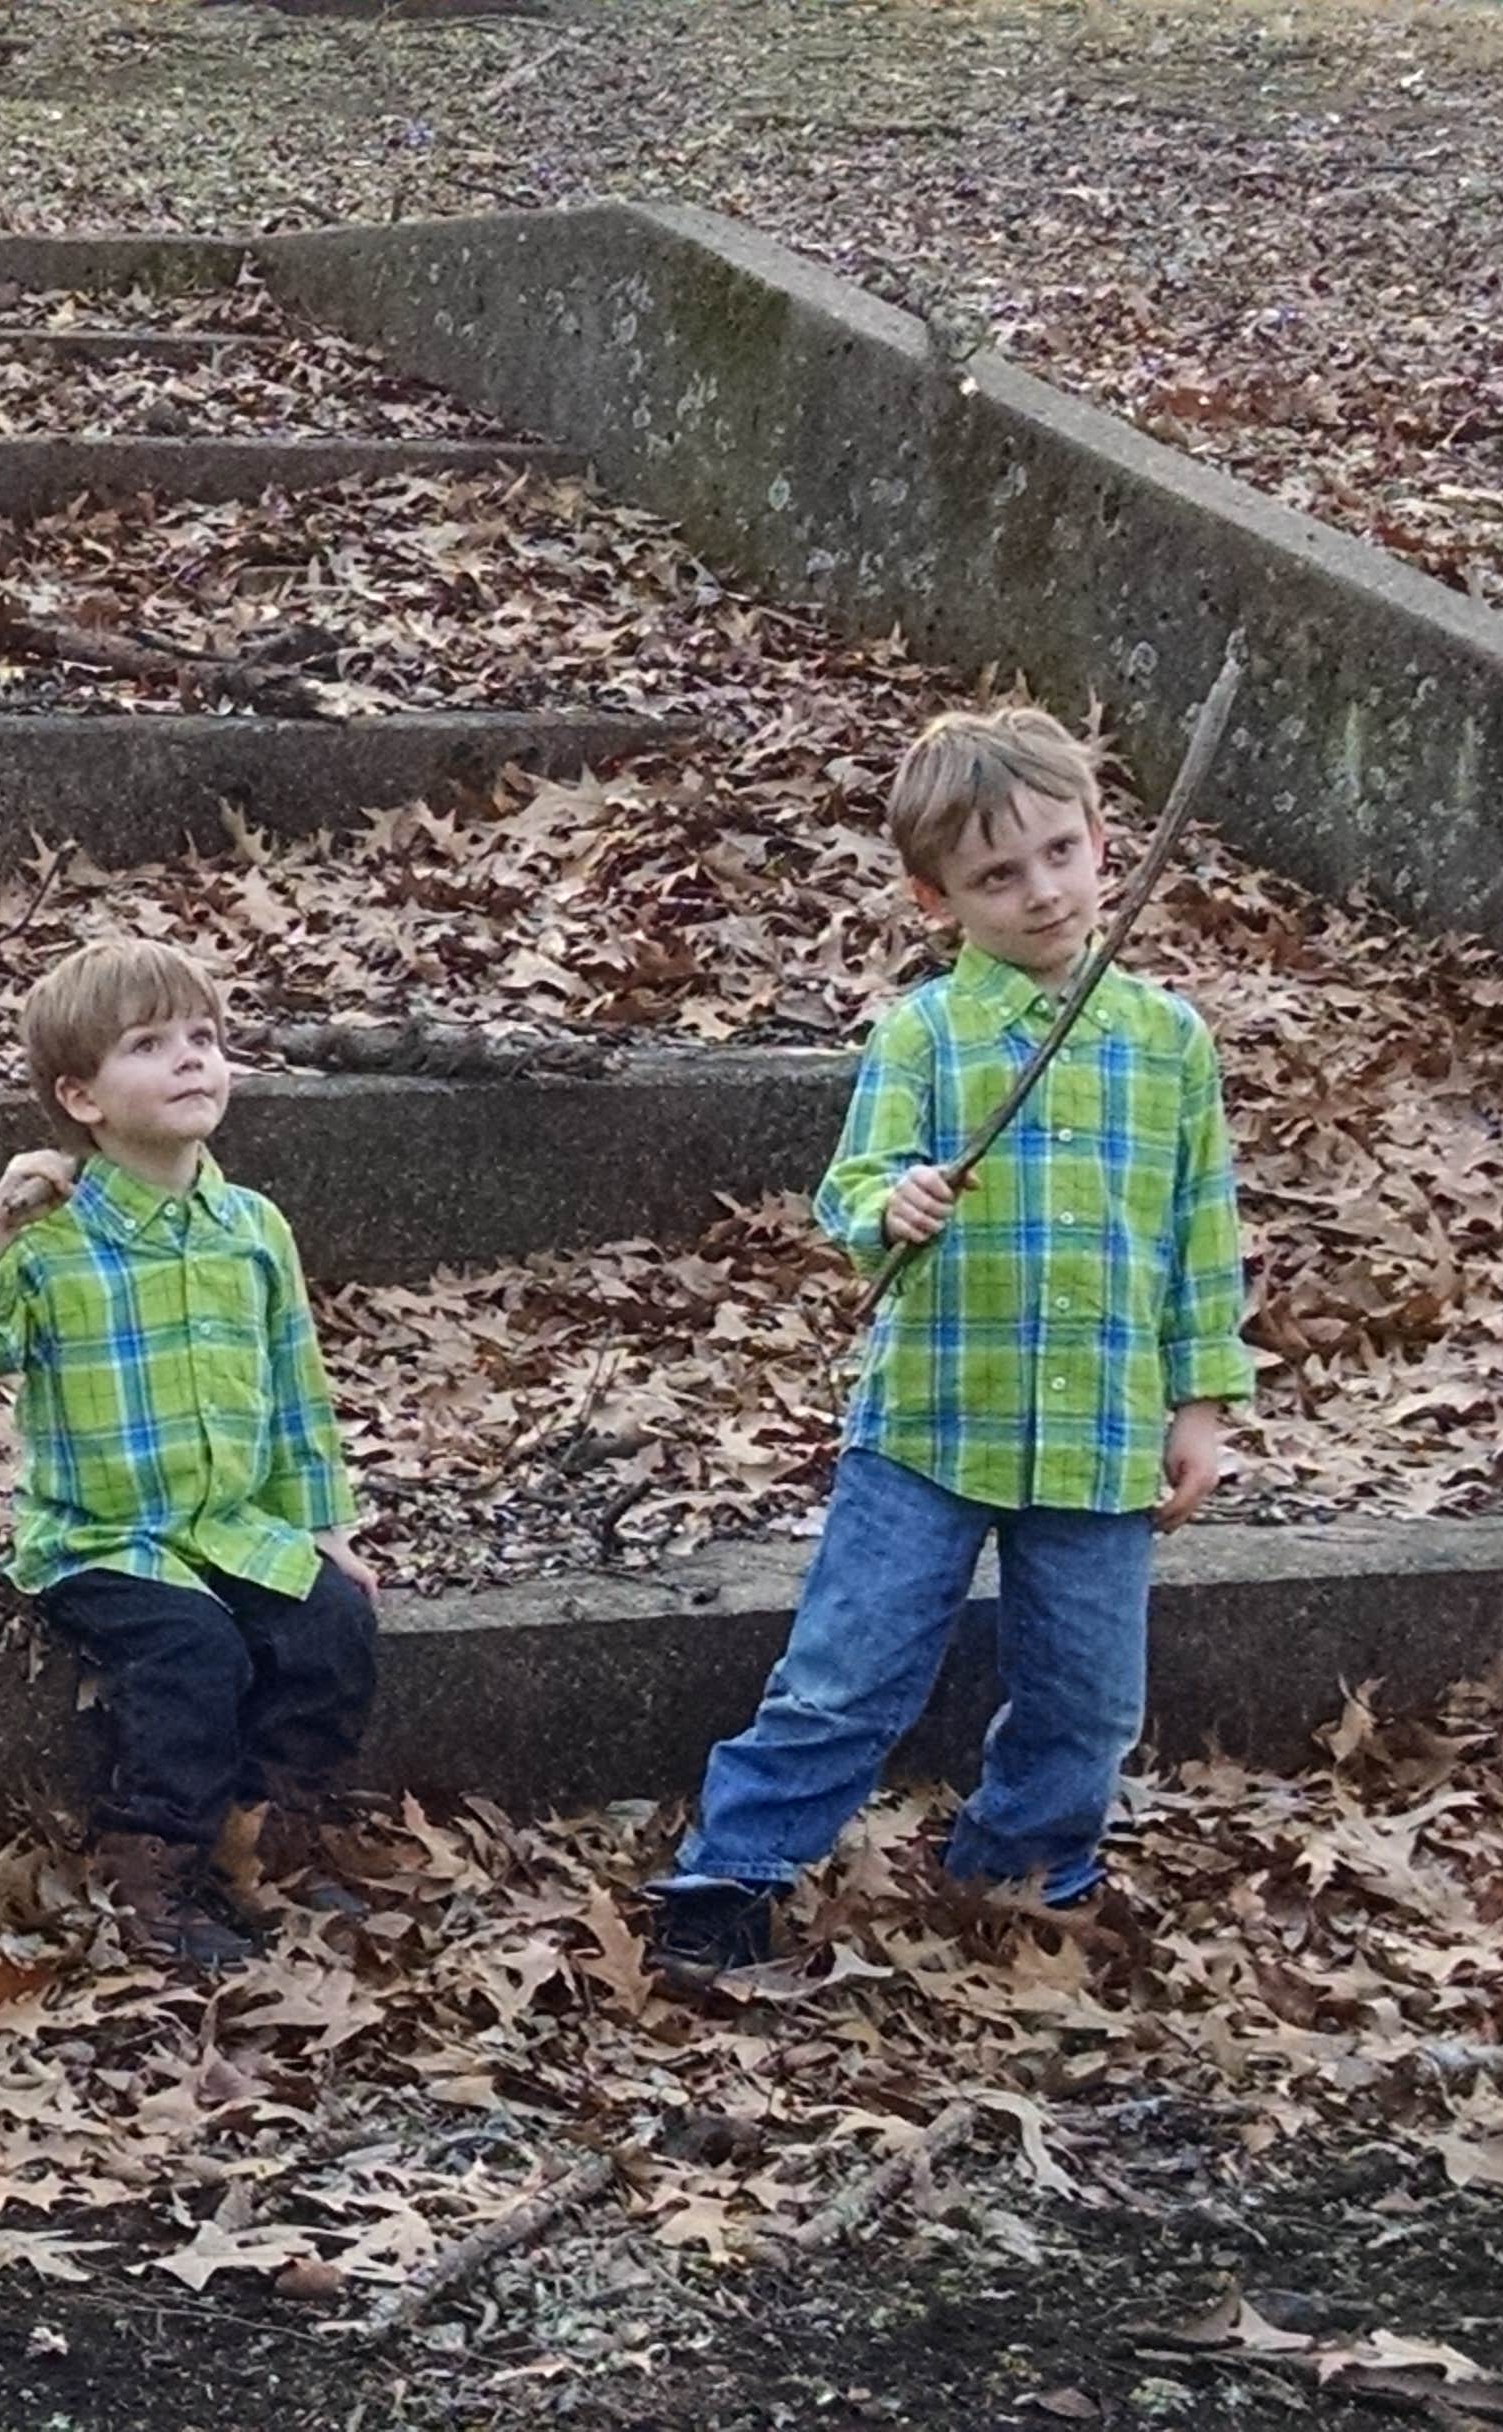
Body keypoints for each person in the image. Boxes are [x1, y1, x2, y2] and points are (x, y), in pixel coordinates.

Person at [646, 705, 1254, 1980]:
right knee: (851, 1666)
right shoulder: (925, 1034)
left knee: (1090, 1690)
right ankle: (734, 1867)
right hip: (931, 1418)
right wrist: (891, 1205)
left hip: (1097, 1424)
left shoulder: (1166, 1040)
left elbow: (1202, 1229)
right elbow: (853, 1186)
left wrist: (1201, 1402)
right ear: (937, 897)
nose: (1039, 892)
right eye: (996, 875)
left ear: (1102, 844)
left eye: (1060, 854)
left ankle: (1026, 1861)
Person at [0, 936, 378, 1975]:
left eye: (206, 1037)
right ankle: (155, 1862)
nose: (192, 1060)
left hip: (229, 1521)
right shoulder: (50, 1235)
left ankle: (255, 1830)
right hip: (102, 1535)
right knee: (193, 1651)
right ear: (81, 1097)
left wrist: (322, 1526)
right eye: (151, 1043)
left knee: (333, 1623)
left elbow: (297, 1389)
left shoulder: (252, 1228)